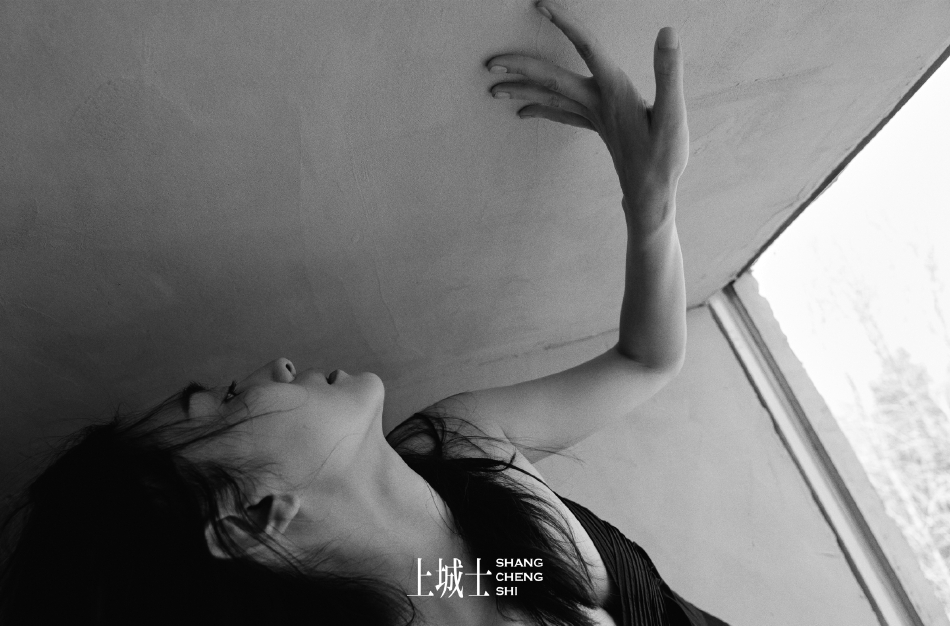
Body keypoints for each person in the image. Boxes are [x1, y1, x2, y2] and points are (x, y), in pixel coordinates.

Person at [0, 2, 728, 624]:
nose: (276, 363)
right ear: (253, 519)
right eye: (225, 399)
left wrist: (651, 202)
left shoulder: (457, 482)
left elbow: (644, 361)